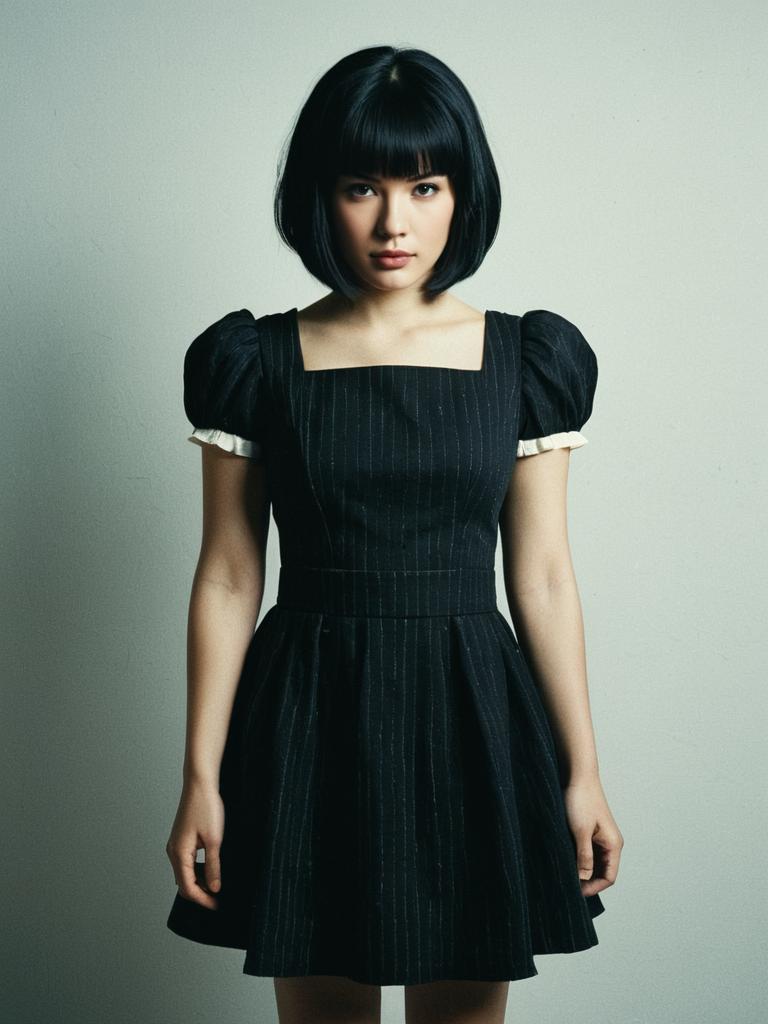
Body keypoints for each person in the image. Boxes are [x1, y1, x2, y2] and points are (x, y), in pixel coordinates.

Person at [165, 44, 623, 1024]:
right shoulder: (256, 359)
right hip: (309, 713)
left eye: (424, 184)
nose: (393, 220)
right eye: (361, 186)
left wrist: (583, 772)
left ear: (463, 193)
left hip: (474, 715)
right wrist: (202, 777)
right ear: (320, 197)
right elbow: (229, 574)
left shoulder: (524, 359)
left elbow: (542, 577)